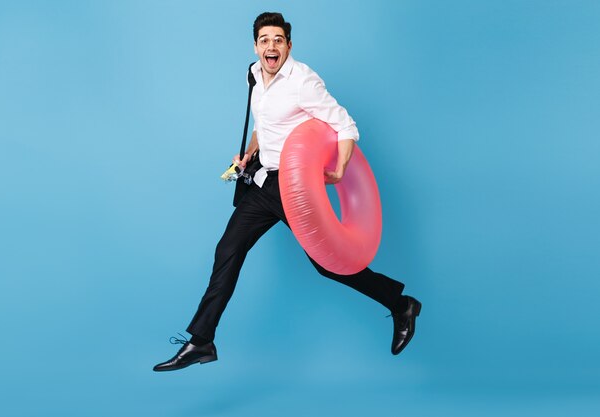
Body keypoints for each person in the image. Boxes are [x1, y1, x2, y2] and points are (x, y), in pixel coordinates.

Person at [153, 12, 421, 372]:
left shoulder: (303, 82)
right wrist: (248, 154)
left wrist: (340, 169)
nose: (271, 46)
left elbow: (345, 125)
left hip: (295, 187)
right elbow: (265, 126)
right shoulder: (252, 74)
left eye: (278, 39)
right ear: (255, 46)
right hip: (262, 181)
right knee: (227, 250)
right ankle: (202, 341)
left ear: (288, 45)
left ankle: (400, 303)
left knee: (328, 265)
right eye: (265, 40)